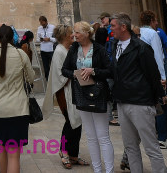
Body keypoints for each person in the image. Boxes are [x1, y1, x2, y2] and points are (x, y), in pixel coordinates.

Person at [111, 13, 167, 173]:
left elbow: (152, 73)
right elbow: (114, 70)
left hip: (140, 102)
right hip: (122, 101)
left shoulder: (141, 48)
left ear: (123, 27)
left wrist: (159, 95)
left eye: (113, 25)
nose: (111, 29)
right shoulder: (115, 45)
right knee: (130, 146)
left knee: (151, 146)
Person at [63, 21, 113, 173]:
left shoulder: (99, 49)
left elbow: (110, 70)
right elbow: (64, 69)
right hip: (81, 93)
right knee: (90, 136)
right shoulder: (73, 49)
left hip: (98, 93)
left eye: (77, 32)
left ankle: (109, 170)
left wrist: (94, 71)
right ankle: (97, 170)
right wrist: (74, 74)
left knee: (103, 136)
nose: (74, 35)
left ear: (86, 33)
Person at [0, 25, 34, 173]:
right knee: (14, 154)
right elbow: (31, 78)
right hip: (17, 108)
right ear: (13, 38)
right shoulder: (21, 54)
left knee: (2, 148)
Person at [42, 25, 84, 169]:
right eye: (70, 33)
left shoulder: (70, 49)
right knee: (70, 121)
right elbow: (60, 74)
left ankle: (73, 154)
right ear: (64, 35)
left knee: (78, 120)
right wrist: (76, 74)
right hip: (64, 91)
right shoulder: (59, 51)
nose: (72, 35)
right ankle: (63, 151)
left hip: (75, 89)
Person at [137, 11, 167, 149]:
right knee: (164, 105)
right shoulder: (153, 34)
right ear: (151, 20)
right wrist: (162, 78)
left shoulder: (138, 33)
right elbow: (158, 56)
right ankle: (162, 136)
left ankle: (158, 131)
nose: (157, 23)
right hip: (156, 74)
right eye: (156, 20)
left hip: (143, 75)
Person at [38, 17, 56, 82]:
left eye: (42, 22)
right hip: (43, 50)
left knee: (53, 66)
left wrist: (49, 39)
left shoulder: (53, 27)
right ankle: (48, 81)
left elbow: (56, 39)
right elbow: (37, 39)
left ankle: (54, 80)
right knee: (46, 68)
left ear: (46, 21)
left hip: (51, 50)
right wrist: (41, 39)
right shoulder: (39, 28)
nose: (41, 24)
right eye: (40, 22)